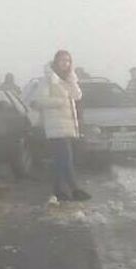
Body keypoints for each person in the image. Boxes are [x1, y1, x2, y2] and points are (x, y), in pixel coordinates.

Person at [31, 50, 91, 203]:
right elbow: (40, 100)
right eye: (63, 60)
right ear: (56, 62)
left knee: (60, 160)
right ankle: (74, 189)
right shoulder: (48, 79)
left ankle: (59, 191)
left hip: (68, 126)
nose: (66, 63)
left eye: (68, 61)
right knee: (66, 158)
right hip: (56, 125)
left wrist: (72, 80)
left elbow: (78, 96)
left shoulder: (68, 79)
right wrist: (60, 101)